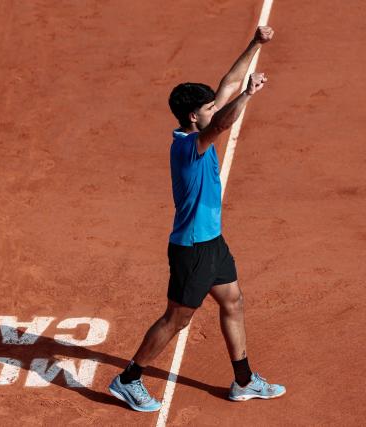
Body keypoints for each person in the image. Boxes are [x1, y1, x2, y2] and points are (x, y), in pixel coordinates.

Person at [108, 26, 286, 412]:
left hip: (212, 242)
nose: (215, 109)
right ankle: (128, 379)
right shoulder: (190, 146)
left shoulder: (198, 125)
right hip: (191, 248)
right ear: (194, 117)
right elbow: (223, 121)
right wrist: (248, 95)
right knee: (176, 319)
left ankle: (243, 381)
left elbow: (228, 83)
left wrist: (255, 43)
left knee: (233, 302)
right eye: (208, 108)